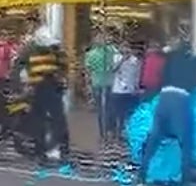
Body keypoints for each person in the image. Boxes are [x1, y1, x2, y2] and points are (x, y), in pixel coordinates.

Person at [139, 39, 196, 186]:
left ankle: (142, 175)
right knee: (185, 140)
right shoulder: (191, 63)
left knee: (154, 137)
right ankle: (186, 179)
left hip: (164, 97)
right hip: (180, 98)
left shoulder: (167, 60)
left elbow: (159, 77)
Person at [12, 25, 70, 165]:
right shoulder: (28, 49)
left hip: (50, 85)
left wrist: (60, 77)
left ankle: (60, 149)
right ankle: (41, 151)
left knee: (58, 120)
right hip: (36, 86)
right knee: (39, 121)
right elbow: (18, 67)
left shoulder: (55, 49)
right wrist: (21, 86)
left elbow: (64, 65)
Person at [84, 32, 117, 140]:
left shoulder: (90, 54)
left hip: (97, 82)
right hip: (108, 82)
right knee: (108, 107)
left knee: (100, 108)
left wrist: (88, 83)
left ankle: (102, 132)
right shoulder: (110, 50)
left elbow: (88, 69)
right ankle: (108, 129)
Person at [110, 42, 141, 139]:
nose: (125, 50)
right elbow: (113, 69)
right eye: (123, 48)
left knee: (127, 112)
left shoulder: (134, 60)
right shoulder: (117, 58)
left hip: (129, 90)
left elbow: (137, 73)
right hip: (117, 90)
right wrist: (122, 60)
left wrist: (136, 87)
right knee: (117, 112)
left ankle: (126, 132)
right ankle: (116, 132)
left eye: (127, 48)